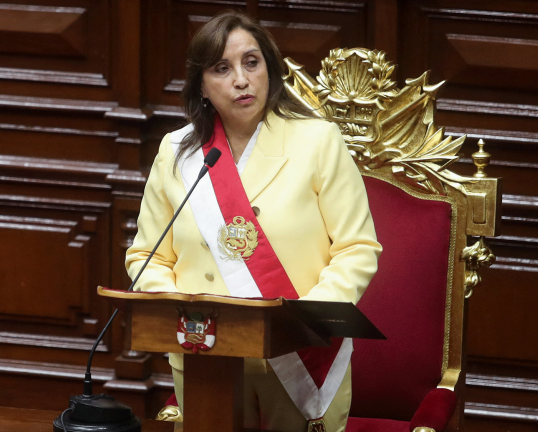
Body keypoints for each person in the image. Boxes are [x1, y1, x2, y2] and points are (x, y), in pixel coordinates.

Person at [125, 10, 381, 432]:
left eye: (251, 62)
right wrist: (185, 316)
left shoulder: (317, 141)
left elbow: (357, 248)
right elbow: (146, 257)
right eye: (222, 69)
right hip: (205, 353)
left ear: (270, 69)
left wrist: (306, 320)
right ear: (202, 86)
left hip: (296, 353)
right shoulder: (177, 153)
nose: (241, 80)